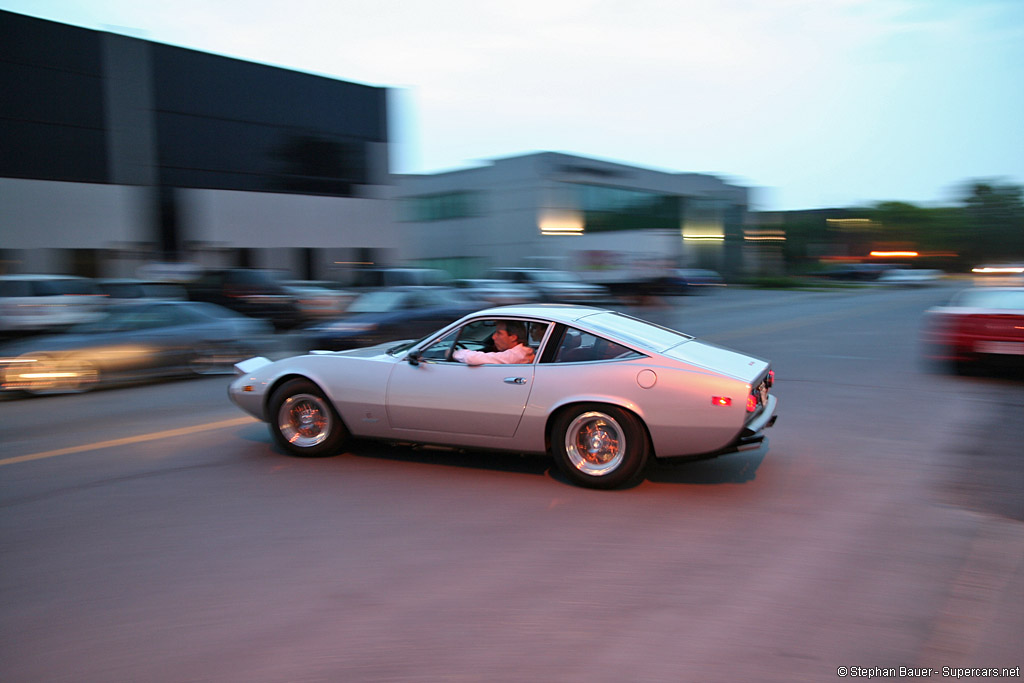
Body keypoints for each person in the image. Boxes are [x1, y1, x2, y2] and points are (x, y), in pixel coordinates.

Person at [453, 320, 535, 365]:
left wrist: (454, 353)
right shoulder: (523, 352)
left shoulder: (516, 355)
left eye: (499, 333)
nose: (493, 337)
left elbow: (473, 359)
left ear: (513, 337)